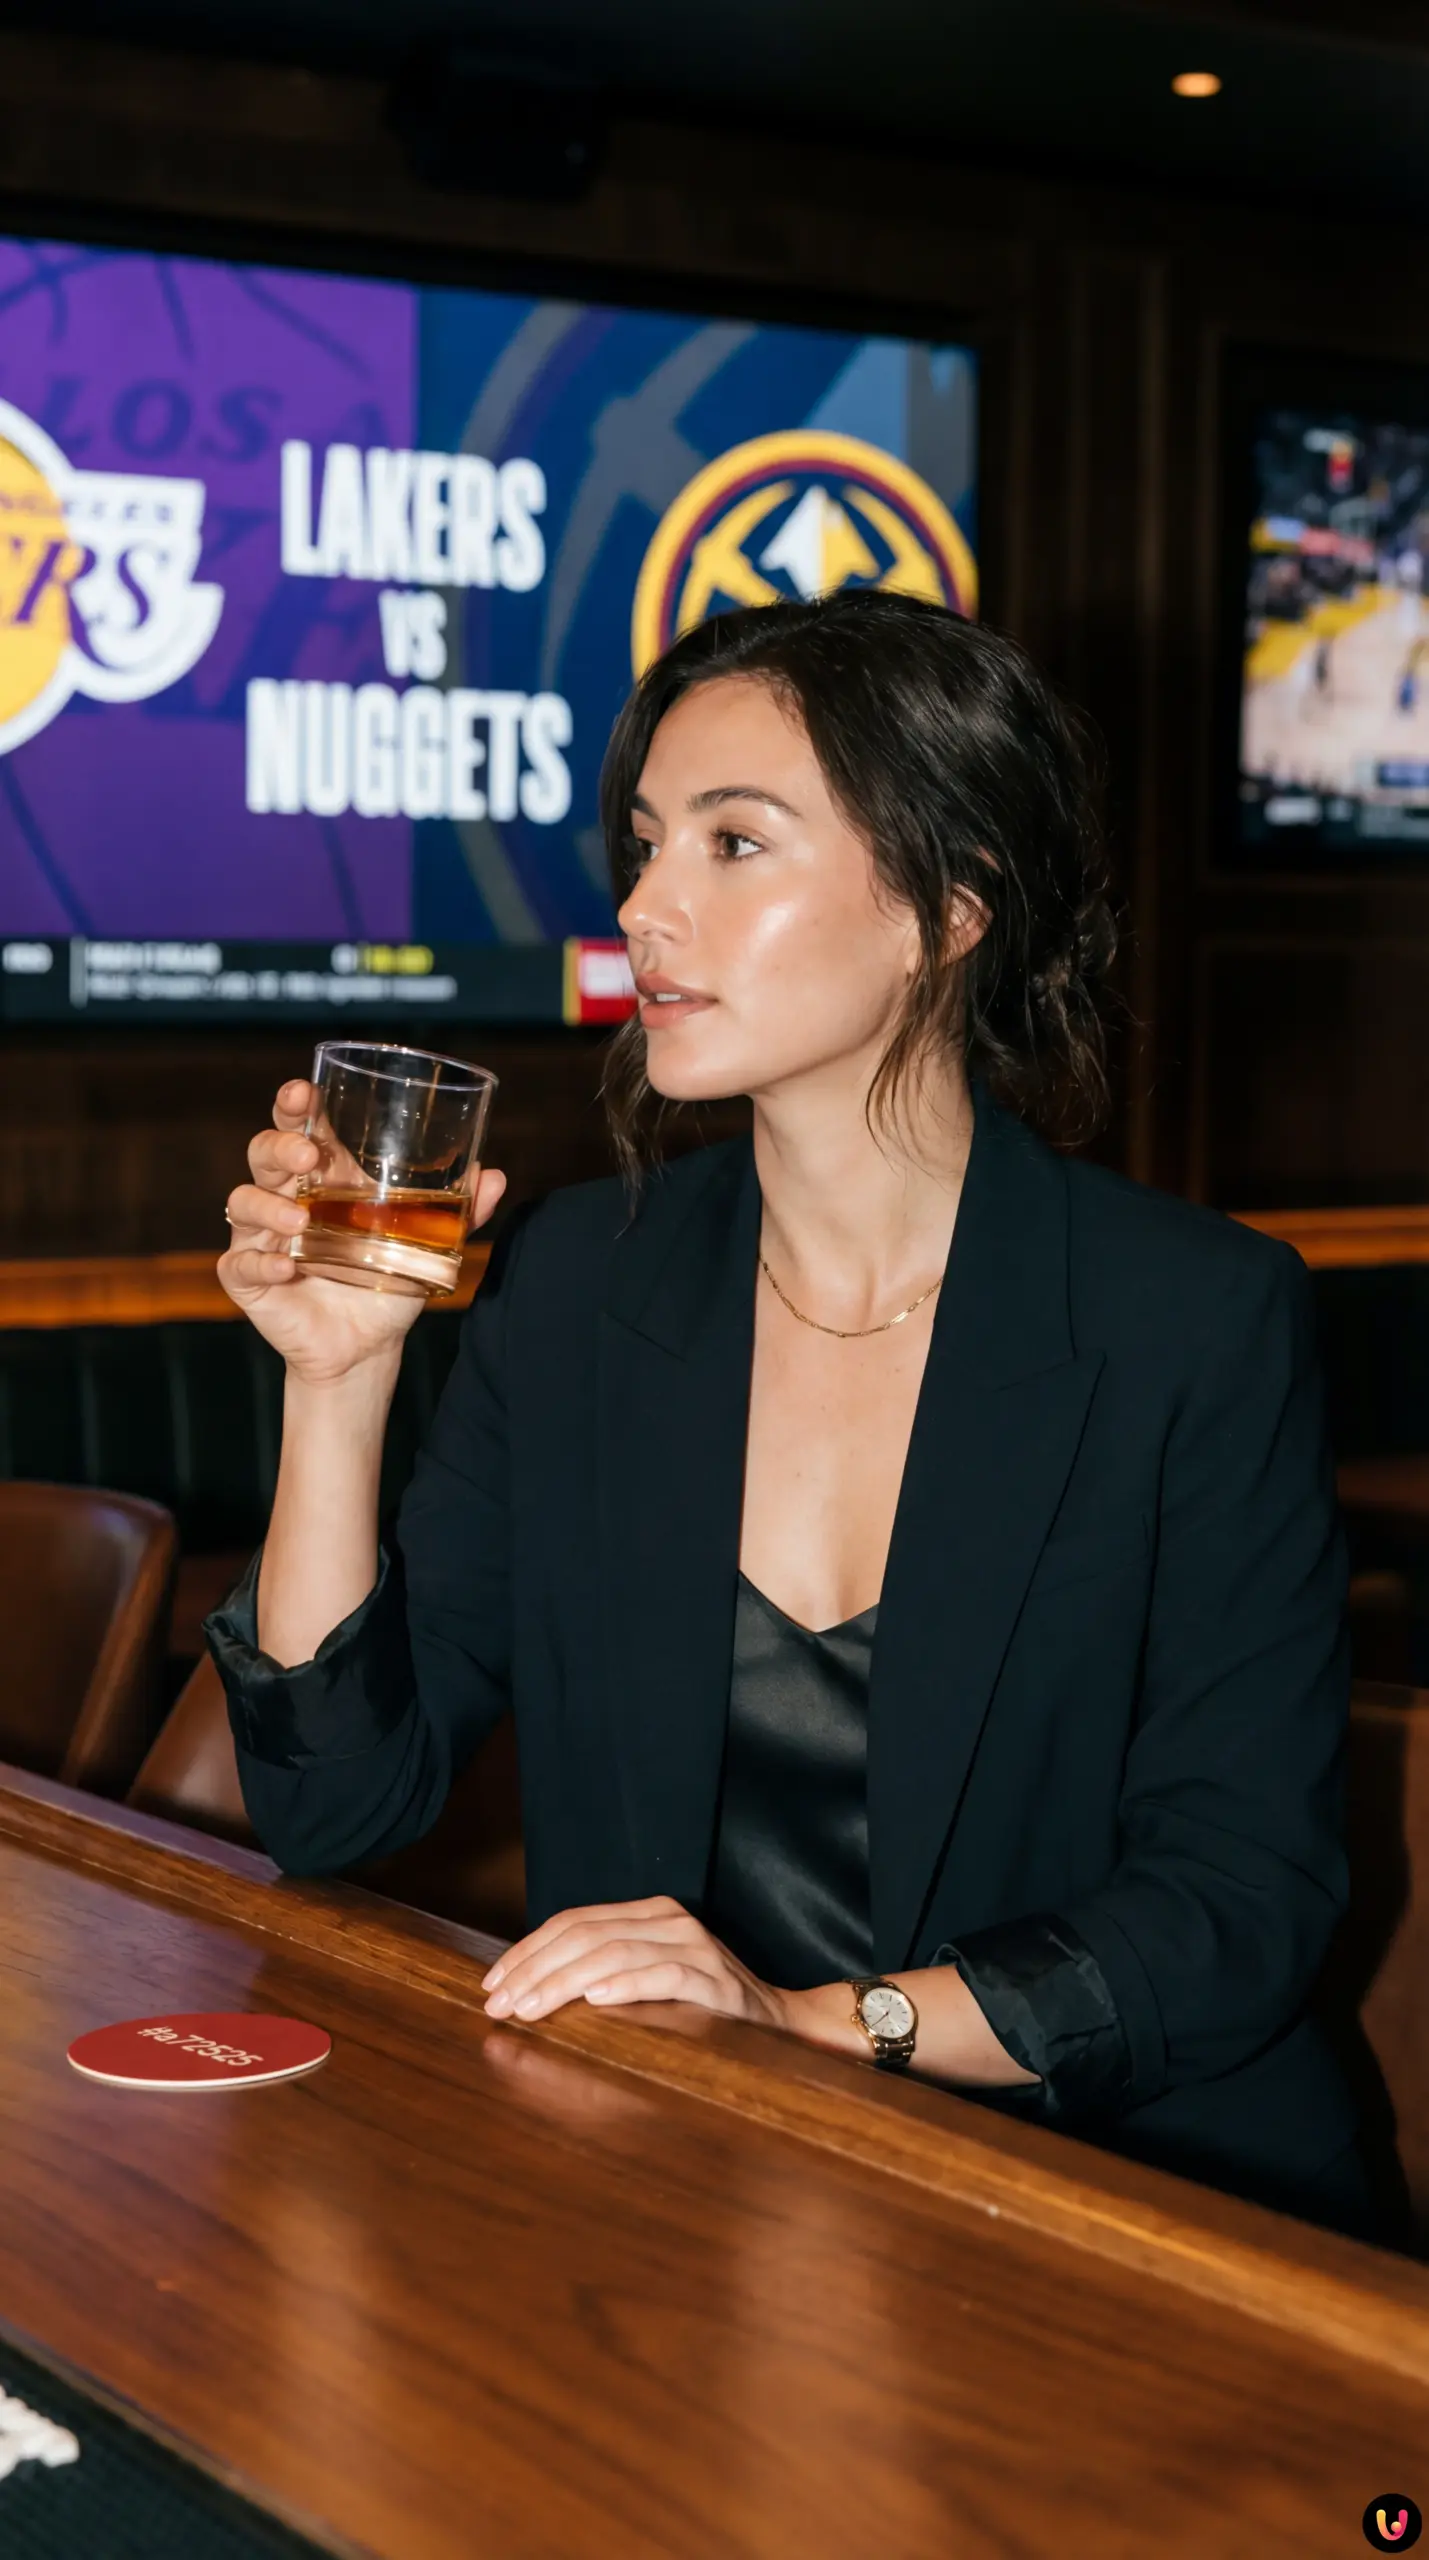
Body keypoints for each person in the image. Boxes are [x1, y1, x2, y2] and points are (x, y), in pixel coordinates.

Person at [210, 588, 1369, 2236]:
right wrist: (339, 1384)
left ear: (947, 908)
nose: (645, 906)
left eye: (732, 846)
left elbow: (1238, 1907)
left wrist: (817, 2028)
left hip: (1112, 2205)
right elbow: (337, 1808)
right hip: (694, 2190)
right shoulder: (579, 1285)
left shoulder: (1191, 1316)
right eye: (643, 844)